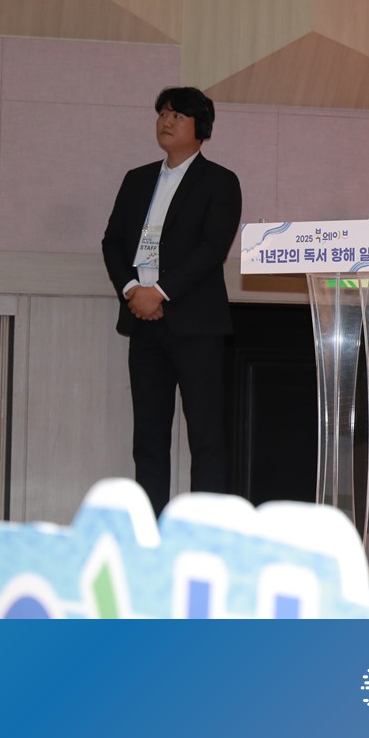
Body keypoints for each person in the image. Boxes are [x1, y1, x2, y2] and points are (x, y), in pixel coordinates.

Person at [101, 87, 242, 517]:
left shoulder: (220, 181)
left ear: (201, 128)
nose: (166, 121)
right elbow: (113, 242)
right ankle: (150, 529)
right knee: (148, 437)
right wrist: (132, 290)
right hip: (143, 322)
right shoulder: (137, 179)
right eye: (162, 113)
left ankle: (204, 529)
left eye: (178, 115)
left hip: (195, 325)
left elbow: (212, 248)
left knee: (206, 438)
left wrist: (160, 292)